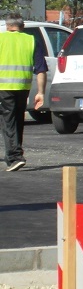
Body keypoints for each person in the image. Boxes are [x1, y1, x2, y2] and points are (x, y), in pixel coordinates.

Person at [0, 13, 47, 171]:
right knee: (17, 119)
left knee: (8, 121)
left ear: (7, 26)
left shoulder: (1, 39)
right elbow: (41, 70)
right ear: (23, 26)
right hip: (23, 88)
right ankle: (14, 154)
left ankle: (15, 157)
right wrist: (40, 92)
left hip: (4, 88)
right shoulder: (31, 40)